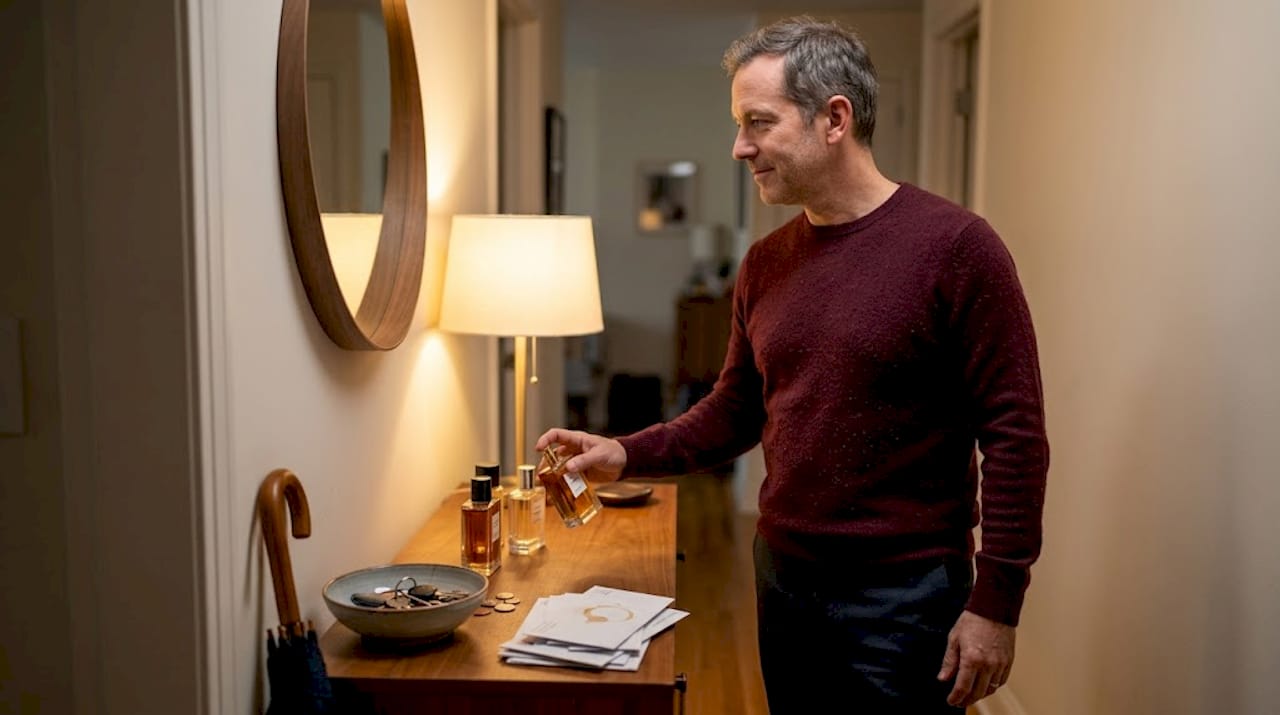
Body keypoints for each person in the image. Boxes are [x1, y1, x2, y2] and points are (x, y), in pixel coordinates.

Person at [536, 15, 1048, 714]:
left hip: (905, 600)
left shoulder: (958, 249)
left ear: (834, 118)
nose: (739, 147)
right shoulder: (765, 263)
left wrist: (997, 602)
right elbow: (735, 409)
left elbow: (1016, 436)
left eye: (759, 122)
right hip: (783, 581)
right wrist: (622, 452)